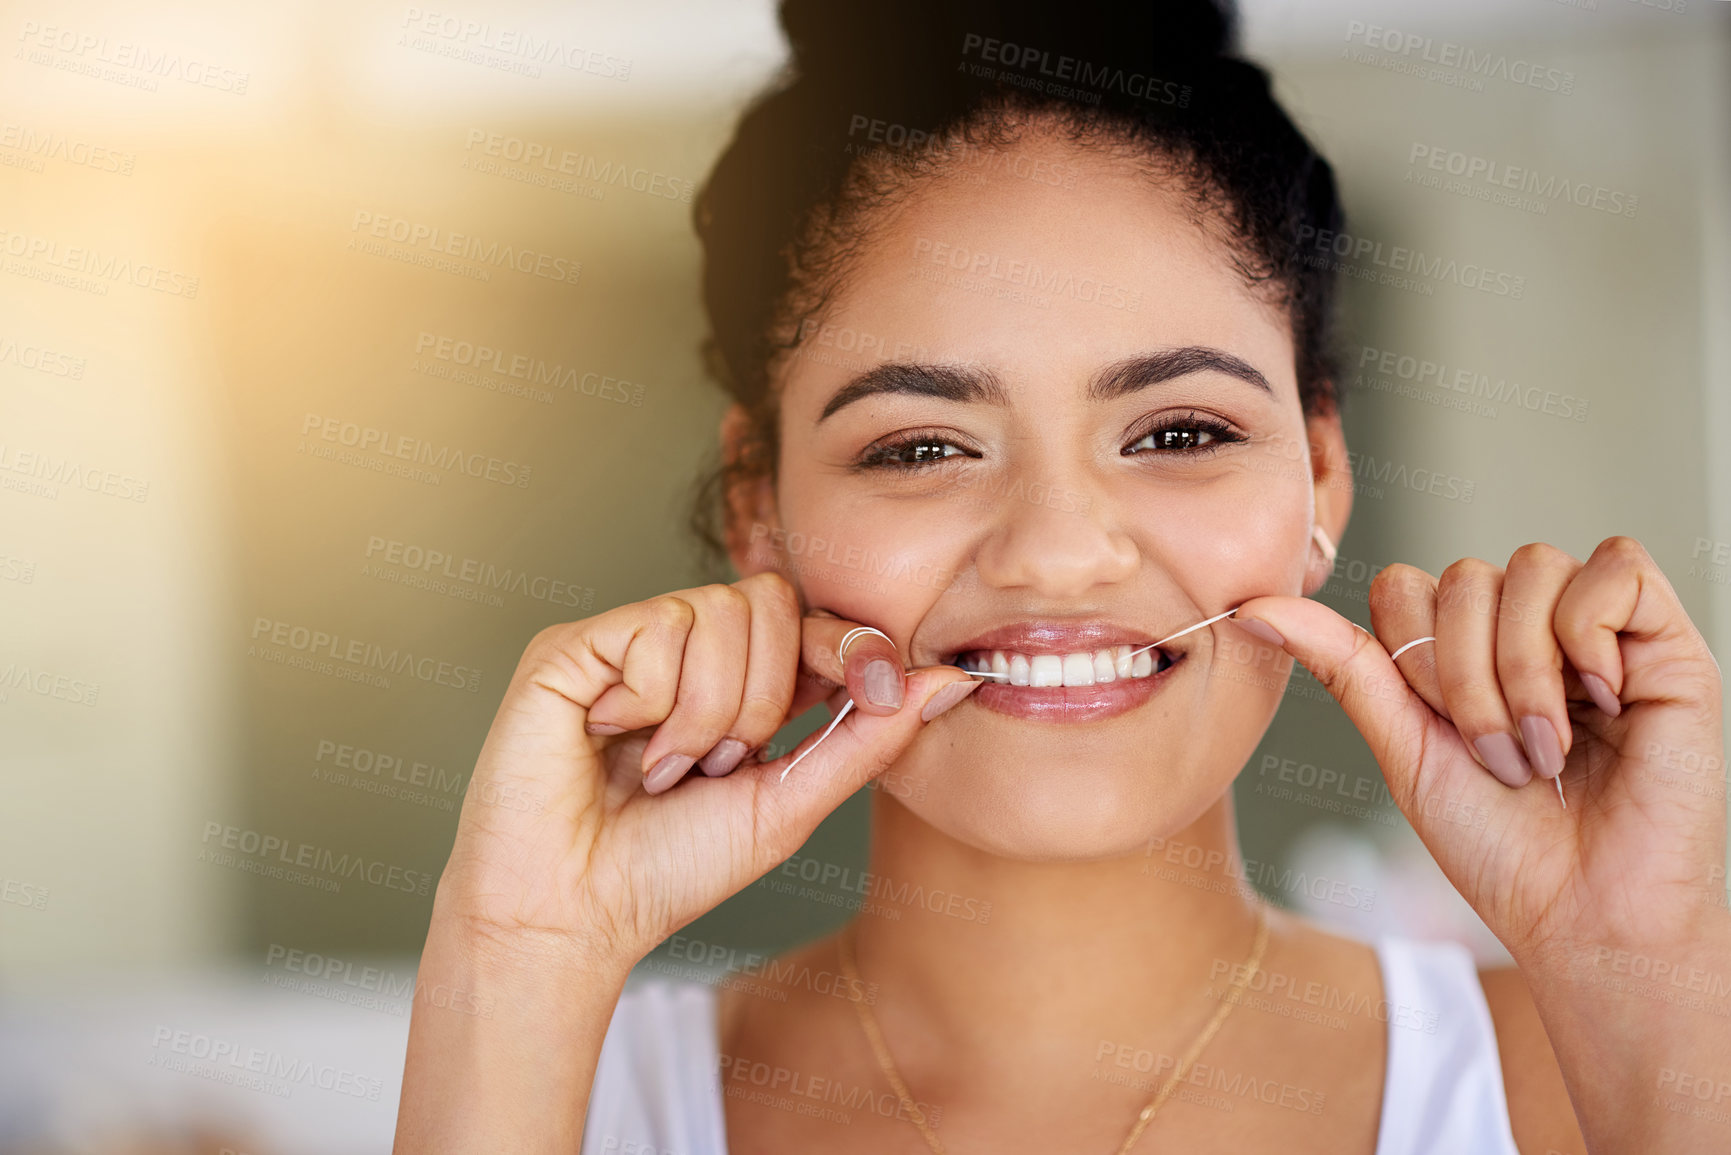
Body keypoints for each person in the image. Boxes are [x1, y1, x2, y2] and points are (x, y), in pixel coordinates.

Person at [393, 2, 1731, 1151]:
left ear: (1321, 475)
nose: (1055, 551)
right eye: (921, 446)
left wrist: (1644, 969)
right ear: (761, 504)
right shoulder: (561, 1102)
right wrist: (516, 962)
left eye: (1180, 433)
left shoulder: (1584, 1091)